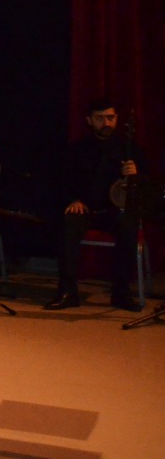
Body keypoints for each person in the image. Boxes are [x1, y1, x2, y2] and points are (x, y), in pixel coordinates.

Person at [45, 99, 144, 311]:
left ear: (116, 119)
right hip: (86, 208)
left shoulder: (130, 150)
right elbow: (63, 181)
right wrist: (73, 199)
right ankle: (68, 292)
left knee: (128, 225)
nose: (106, 123)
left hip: (115, 210)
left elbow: (144, 189)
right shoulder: (76, 149)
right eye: (100, 118)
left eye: (110, 117)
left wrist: (134, 175)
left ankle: (122, 293)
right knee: (68, 223)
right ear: (89, 120)